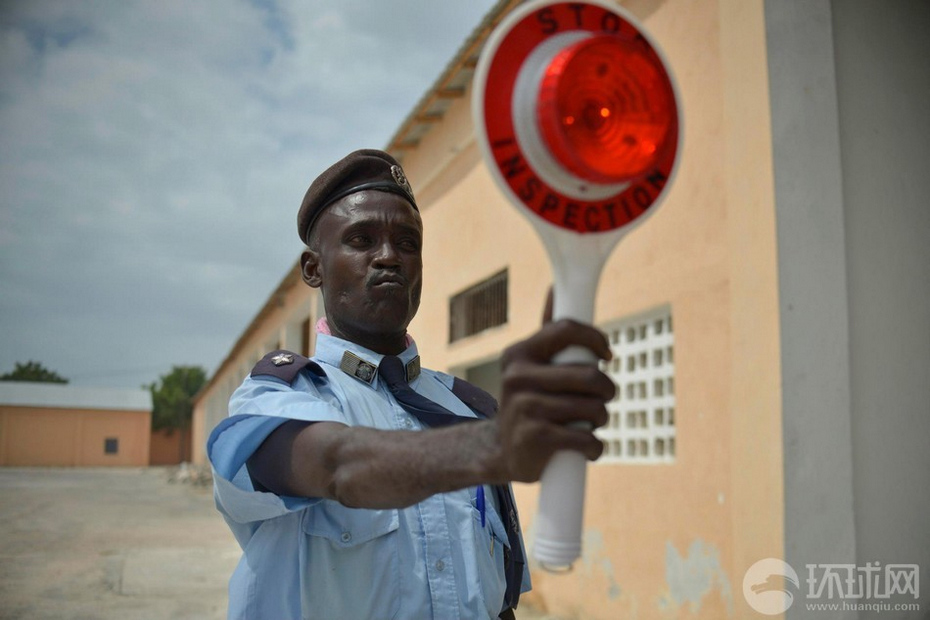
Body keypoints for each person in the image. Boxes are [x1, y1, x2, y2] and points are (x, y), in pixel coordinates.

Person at [207, 149, 615, 620]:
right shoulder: (275, 398)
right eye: (361, 239)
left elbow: (496, 598)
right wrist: (493, 447)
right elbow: (337, 465)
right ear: (313, 269)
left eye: (407, 242)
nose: (388, 257)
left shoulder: (471, 410)